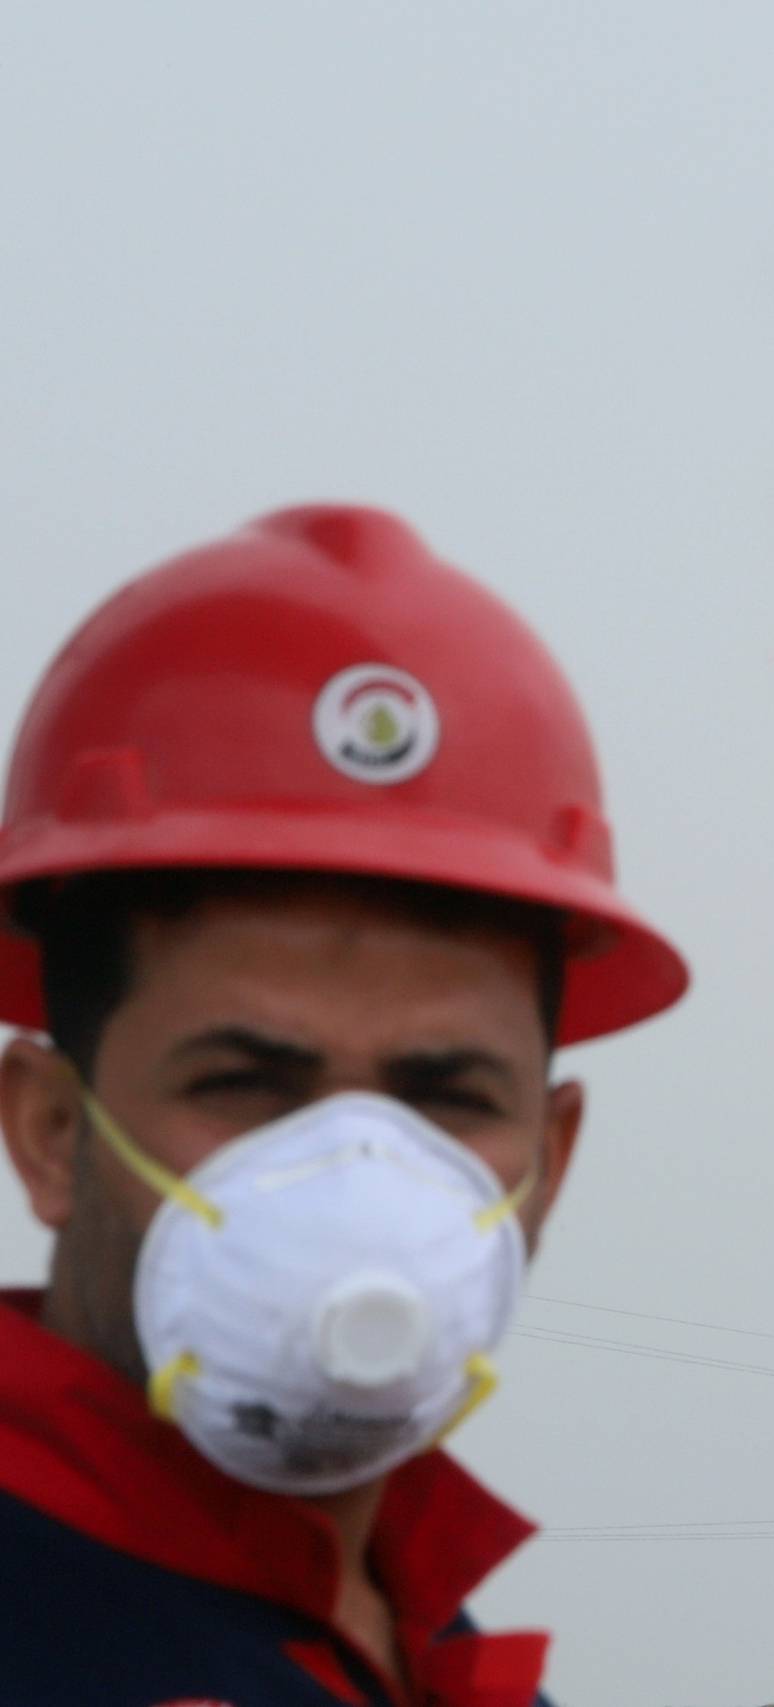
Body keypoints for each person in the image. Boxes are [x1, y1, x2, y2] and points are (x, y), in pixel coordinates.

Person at [0, 506, 688, 1706]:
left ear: (552, 1158)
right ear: (51, 1130)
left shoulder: (433, 1656)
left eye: (447, 1095)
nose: (361, 1181)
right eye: (246, 1084)